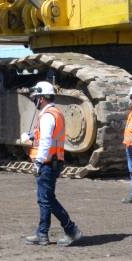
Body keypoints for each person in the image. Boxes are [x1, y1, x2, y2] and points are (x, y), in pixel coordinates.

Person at [22, 81, 83, 247]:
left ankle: (71, 230)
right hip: (52, 161)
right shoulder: (55, 113)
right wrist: (32, 136)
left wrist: (39, 162)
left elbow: (47, 140)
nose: (34, 101)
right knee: (45, 199)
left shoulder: (48, 115)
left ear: (42, 98)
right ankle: (42, 233)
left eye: (36, 98)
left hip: (48, 163)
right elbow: (46, 137)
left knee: (47, 199)